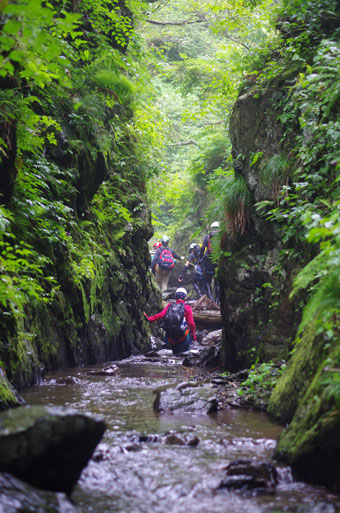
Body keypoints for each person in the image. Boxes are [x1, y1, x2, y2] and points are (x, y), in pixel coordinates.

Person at [144, 288, 196, 354]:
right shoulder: (187, 308)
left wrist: (149, 318)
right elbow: (191, 323)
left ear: (175, 297)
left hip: (170, 337)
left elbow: (160, 315)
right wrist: (193, 335)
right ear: (185, 298)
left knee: (175, 355)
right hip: (182, 336)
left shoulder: (170, 305)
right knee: (184, 355)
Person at [200, 221, 220, 304]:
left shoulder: (207, 236)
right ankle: (217, 300)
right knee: (217, 282)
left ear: (211, 228)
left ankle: (211, 298)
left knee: (207, 280)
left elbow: (203, 248)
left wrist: (200, 259)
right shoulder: (221, 236)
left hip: (208, 260)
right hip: (218, 260)